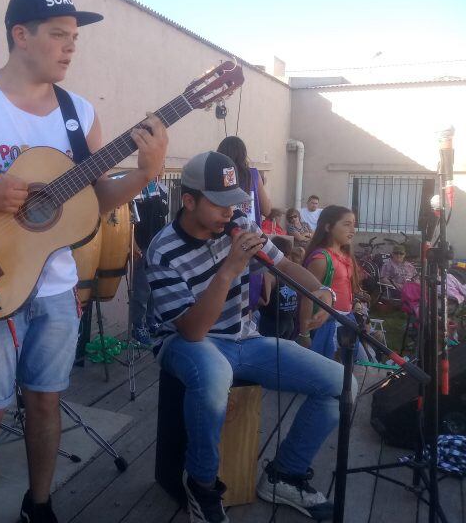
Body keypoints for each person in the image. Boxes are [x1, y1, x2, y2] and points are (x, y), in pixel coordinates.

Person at [0, 0, 168, 523]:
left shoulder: (79, 115)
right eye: (59, 34)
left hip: (53, 286)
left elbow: (95, 202)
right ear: (20, 35)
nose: (71, 46)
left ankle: (40, 503)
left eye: (74, 36)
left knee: (47, 400)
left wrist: (143, 174)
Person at [146, 151, 349, 523]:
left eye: (233, 203)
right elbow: (192, 329)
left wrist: (322, 293)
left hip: (244, 337)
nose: (230, 212)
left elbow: (283, 265)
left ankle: (285, 475)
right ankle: (203, 485)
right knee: (213, 376)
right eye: (219, 204)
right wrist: (230, 269)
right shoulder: (162, 250)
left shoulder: (237, 221)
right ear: (188, 201)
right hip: (188, 343)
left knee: (338, 382)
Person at [217, 135, 271, 313]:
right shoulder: (253, 175)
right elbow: (267, 209)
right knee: (249, 294)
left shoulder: (220, 174)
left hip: (225, 238)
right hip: (252, 239)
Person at [300, 205, 362, 360]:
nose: (353, 230)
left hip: (347, 320)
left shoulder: (346, 256)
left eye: (353, 225)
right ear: (328, 226)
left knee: (353, 366)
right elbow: (307, 296)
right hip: (327, 325)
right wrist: (304, 334)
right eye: (347, 224)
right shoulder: (321, 259)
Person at [130, 172, 170, 344]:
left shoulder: (163, 189)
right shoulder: (137, 188)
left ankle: (151, 320)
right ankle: (137, 325)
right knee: (142, 289)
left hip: (157, 245)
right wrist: (134, 245)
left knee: (154, 288)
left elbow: (163, 214)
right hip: (143, 244)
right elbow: (132, 218)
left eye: (161, 166)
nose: (158, 170)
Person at [259, 236, 299, 339]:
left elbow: (264, 300)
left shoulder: (270, 274)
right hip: (289, 321)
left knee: (270, 353)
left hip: (272, 322)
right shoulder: (292, 273)